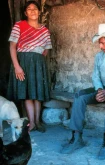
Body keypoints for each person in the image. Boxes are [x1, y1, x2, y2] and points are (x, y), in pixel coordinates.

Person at [60, 24, 105, 160]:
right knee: (79, 96)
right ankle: (76, 137)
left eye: (103, 43)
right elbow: (95, 76)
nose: (101, 46)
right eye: (100, 43)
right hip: (102, 88)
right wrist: (100, 90)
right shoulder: (99, 56)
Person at [7, 1, 52, 132]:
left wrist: (37, 60)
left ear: (39, 12)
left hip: (38, 62)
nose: (32, 11)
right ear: (25, 13)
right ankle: (31, 122)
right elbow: (12, 46)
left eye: (35, 9)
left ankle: (37, 122)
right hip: (23, 61)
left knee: (37, 93)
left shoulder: (44, 30)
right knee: (27, 93)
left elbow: (46, 49)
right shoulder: (19, 25)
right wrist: (17, 66)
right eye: (29, 9)